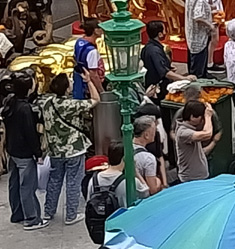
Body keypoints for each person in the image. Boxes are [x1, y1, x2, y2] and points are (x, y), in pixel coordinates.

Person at [39, 71, 100, 224]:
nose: (72, 82)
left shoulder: (46, 103)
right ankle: (71, 214)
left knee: (54, 180)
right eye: (70, 82)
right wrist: (89, 81)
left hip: (55, 150)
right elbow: (95, 100)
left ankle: (48, 211)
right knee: (73, 181)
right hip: (74, 148)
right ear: (66, 89)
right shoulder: (70, 105)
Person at [2, 73, 43, 229]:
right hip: (25, 152)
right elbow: (30, 133)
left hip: (12, 149)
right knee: (27, 185)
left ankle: (17, 214)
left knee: (14, 184)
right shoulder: (25, 108)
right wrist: (38, 153)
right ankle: (32, 218)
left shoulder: (10, 102)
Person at [83, 141, 150, 209]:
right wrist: (136, 173)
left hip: (99, 219)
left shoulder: (93, 180)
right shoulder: (130, 182)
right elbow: (146, 193)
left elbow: (88, 201)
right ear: (125, 158)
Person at [183, 0, 215, 78]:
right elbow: (198, 17)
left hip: (191, 35)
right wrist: (210, 25)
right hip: (199, 37)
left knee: (196, 64)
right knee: (198, 68)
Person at [175, 100, 215, 182]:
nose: (203, 120)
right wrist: (208, 116)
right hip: (191, 179)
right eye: (202, 117)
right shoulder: (183, 132)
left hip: (199, 177)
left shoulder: (191, 128)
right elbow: (207, 134)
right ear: (192, 117)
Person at [73, 17, 105, 99]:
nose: (103, 29)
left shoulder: (79, 41)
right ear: (95, 30)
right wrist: (101, 91)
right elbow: (93, 74)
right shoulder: (92, 51)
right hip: (89, 88)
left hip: (79, 81)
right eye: (100, 27)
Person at [131, 114, 165, 196]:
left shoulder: (124, 148)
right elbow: (153, 189)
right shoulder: (148, 158)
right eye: (154, 130)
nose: (156, 132)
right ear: (146, 135)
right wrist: (158, 181)